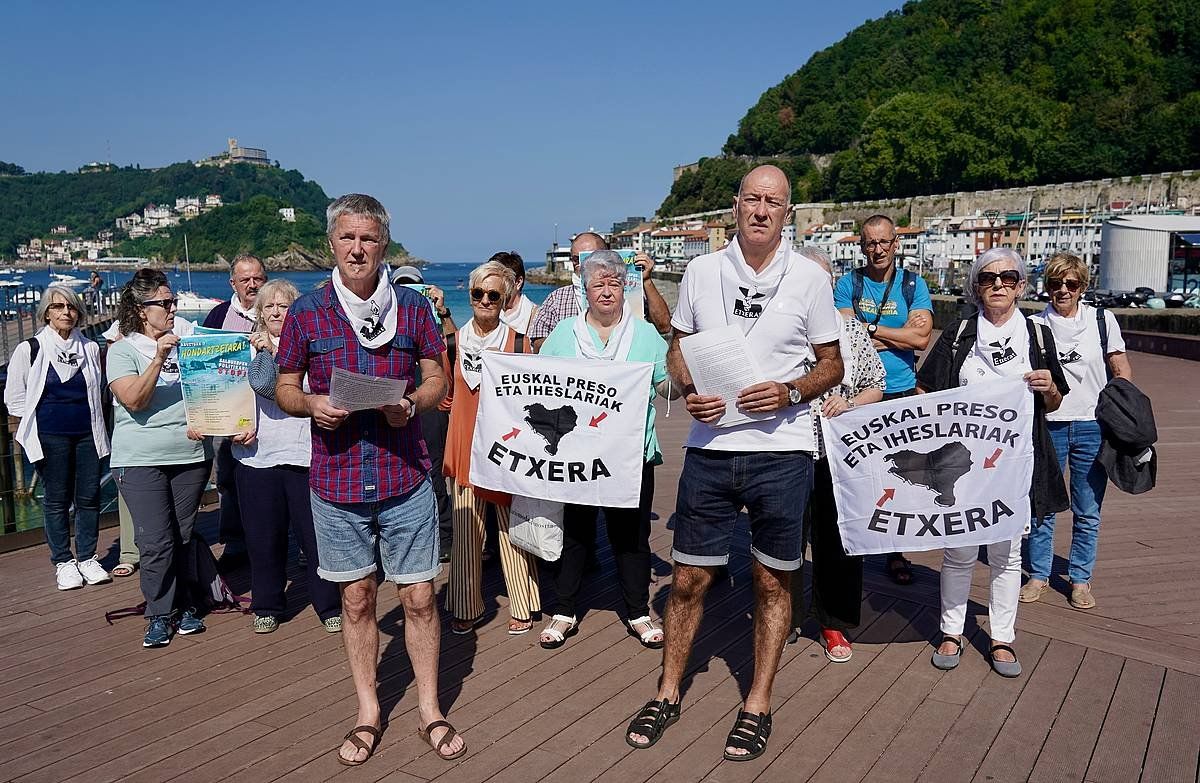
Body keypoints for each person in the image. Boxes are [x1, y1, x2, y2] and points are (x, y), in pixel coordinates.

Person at [626, 165, 843, 761]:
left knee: (772, 579)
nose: (762, 210)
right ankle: (668, 691)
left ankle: (758, 702)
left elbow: (833, 365)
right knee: (689, 577)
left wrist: (792, 392)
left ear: (787, 212)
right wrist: (685, 383)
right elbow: (679, 347)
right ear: (735, 204)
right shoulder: (700, 270)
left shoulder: (809, 278)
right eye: (753, 199)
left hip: (783, 451)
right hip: (711, 446)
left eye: (774, 201)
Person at [274, 194, 465, 766]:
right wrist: (311, 403)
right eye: (348, 238)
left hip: (404, 473)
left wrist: (412, 402)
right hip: (336, 480)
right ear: (332, 243)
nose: (358, 249)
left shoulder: (411, 308)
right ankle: (368, 711)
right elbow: (284, 385)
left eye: (370, 239)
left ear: (385, 245)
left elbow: (437, 376)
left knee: (421, 597)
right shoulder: (307, 312)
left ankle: (430, 709)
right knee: (356, 600)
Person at [917, 247, 1069, 678]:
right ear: (977, 286)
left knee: (1007, 556)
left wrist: (1047, 389)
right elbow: (925, 390)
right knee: (959, 551)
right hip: (963, 465)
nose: (998, 285)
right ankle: (951, 630)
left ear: (1021, 286)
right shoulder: (961, 331)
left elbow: (1056, 402)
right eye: (988, 278)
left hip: (1016, 465)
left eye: (1007, 278)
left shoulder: (1037, 335)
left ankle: (1002, 638)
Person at [537, 249, 678, 650]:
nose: (606, 290)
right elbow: (539, 383)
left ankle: (637, 611)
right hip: (575, 454)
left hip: (632, 455)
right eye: (598, 283)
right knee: (576, 532)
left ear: (623, 289)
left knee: (631, 536)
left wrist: (684, 371)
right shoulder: (564, 334)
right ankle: (564, 610)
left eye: (614, 283)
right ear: (584, 290)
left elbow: (667, 387)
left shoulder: (644, 335)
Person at [107, 269, 220, 648]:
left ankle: (186, 604)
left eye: (174, 302)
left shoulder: (188, 341)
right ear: (142, 310)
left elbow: (215, 385)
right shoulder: (122, 351)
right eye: (165, 303)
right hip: (139, 458)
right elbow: (134, 400)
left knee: (183, 535)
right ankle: (159, 613)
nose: (173, 308)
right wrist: (158, 358)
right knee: (155, 540)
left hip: (190, 455)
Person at [789, 247, 885, 662]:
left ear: (830, 285)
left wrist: (851, 404)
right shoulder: (781, 328)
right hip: (788, 446)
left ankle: (833, 622)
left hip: (838, 450)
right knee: (784, 536)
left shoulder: (852, 332)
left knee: (839, 539)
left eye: (821, 280)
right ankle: (786, 613)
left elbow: (875, 383)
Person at [1026, 252, 1132, 610]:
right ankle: (1039, 575)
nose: (1062, 291)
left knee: (1088, 510)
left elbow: (1120, 368)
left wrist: (1125, 415)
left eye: (1070, 284)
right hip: (1049, 426)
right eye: (1055, 284)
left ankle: (1080, 579)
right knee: (1043, 507)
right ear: (1047, 288)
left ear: (1082, 287)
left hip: (1092, 426)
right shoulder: (1034, 325)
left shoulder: (1102, 320)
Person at [236, 278, 342, 634]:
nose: (276, 312)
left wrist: (278, 353)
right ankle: (267, 604)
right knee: (263, 537)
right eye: (269, 306)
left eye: (283, 305)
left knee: (315, 537)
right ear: (259, 313)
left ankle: (328, 604)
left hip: (304, 453)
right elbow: (247, 393)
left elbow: (311, 389)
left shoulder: (310, 347)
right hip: (256, 455)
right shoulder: (245, 350)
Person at [443, 260, 541, 635]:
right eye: (477, 293)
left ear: (507, 298)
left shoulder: (519, 343)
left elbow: (534, 398)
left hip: (506, 448)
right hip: (465, 444)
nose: (484, 300)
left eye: (493, 295)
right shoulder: (451, 343)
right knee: (467, 529)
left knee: (510, 528)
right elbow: (446, 398)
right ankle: (466, 604)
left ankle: (524, 600)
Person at [834, 214, 933, 587]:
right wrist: (900, 334)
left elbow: (921, 340)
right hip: (859, 394)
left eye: (884, 242)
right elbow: (847, 337)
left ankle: (895, 551)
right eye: (870, 243)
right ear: (861, 246)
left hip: (902, 390)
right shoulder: (848, 284)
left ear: (895, 244)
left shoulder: (913, 284)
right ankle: (856, 544)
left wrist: (872, 330)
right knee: (859, 475)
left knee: (901, 477)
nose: (878, 250)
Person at [5, 285, 111, 591]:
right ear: (46, 313)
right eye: (58, 307)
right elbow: (15, 399)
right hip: (50, 436)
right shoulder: (30, 349)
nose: (65, 312)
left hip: (88, 435)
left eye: (71, 307)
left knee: (88, 497)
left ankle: (88, 557)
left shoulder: (90, 348)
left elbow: (97, 394)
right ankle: (63, 561)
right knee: (56, 500)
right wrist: (38, 423)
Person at [203, 254, 268, 567]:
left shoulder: (277, 310)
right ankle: (235, 543)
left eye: (258, 278)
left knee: (278, 477)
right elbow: (201, 364)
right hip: (230, 412)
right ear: (233, 283)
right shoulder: (217, 315)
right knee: (228, 480)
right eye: (246, 280)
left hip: (272, 410)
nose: (253, 285)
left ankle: (286, 543)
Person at [391, 265, 458, 563]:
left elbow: (456, 348)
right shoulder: (385, 316)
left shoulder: (429, 317)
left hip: (429, 404)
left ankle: (445, 534)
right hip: (394, 401)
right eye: (401, 287)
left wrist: (442, 312)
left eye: (414, 287)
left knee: (432, 472)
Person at [528, 233, 672, 349]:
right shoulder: (557, 298)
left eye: (588, 257)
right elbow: (538, 343)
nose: (580, 265)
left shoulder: (626, 292)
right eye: (575, 259)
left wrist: (646, 280)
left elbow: (664, 326)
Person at [490, 251, 540, 333]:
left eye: (500, 279)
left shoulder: (535, 316)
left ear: (518, 282)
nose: (493, 284)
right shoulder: (485, 309)